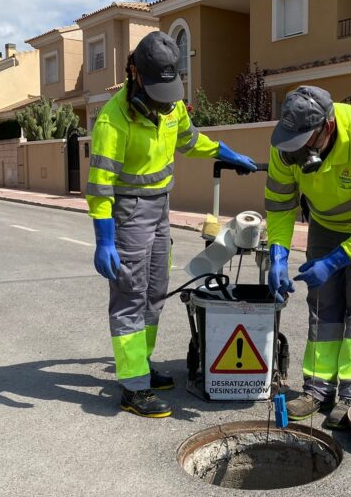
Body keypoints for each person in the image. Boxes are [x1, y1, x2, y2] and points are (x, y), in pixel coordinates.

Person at [87, 31, 256, 418]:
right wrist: (104, 241)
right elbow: (99, 187)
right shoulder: (113, 120)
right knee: (130, 294)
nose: (166, 104)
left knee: (155, 290)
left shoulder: (172, 105)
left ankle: (140, 365)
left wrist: (230, 154)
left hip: (160, 207)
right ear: (137, 75)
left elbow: (189, 139)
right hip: (127, 213)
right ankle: (133, 388)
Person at [265, 86, 351, 428]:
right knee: (322, 306)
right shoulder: (286, 147)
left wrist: (335, 262)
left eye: (304, 145)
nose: (295, 154)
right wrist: (277, 253)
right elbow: (280, 206)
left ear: (328, 126)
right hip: (324, 225)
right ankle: (318, 390)